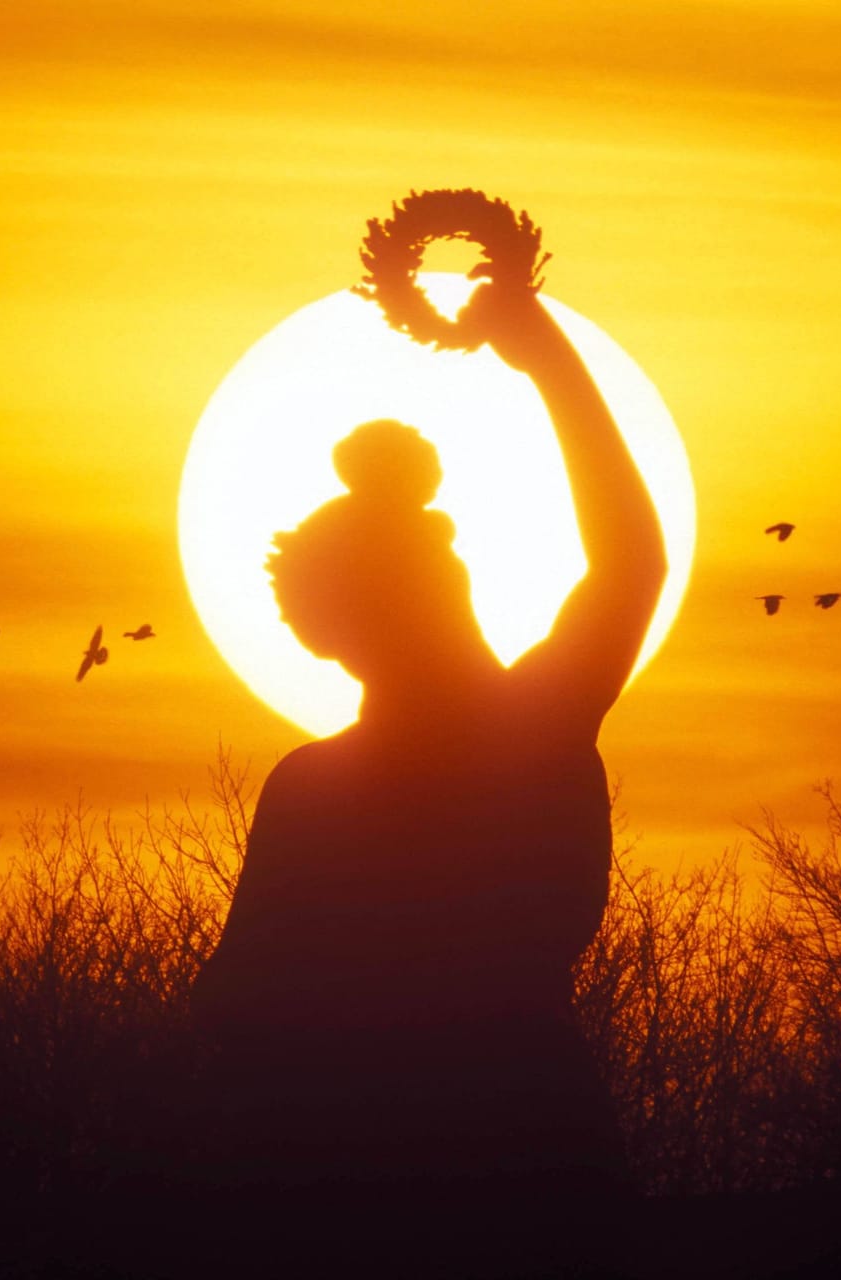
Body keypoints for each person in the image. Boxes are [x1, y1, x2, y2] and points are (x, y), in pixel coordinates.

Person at [186, 282, 667, 1273]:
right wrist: (547, 360)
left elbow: (236, 1012)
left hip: (365, 1184)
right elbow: (631, 566)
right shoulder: (524, 727)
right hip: (511, 1162)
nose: (457, 569)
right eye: (438, 564)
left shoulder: (315, 785)